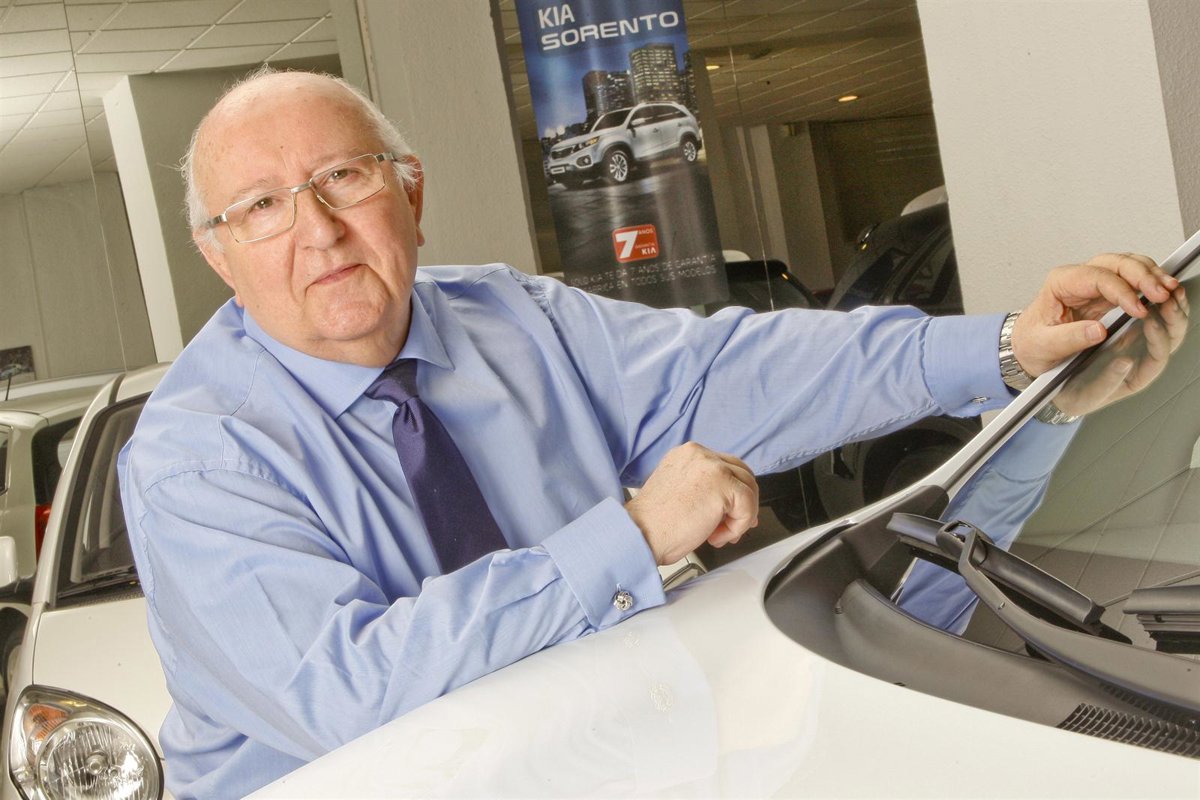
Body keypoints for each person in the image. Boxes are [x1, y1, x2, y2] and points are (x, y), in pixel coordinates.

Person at [118, 68, 1181, 799]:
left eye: (344, 178)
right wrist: (631, 535)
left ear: (411, 192)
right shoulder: (196, 456)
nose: (317, 229)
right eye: (261, 206)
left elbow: (741, 370)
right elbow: (349, 697)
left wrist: (1007, 350)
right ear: (219, 255)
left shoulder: (510, 319)